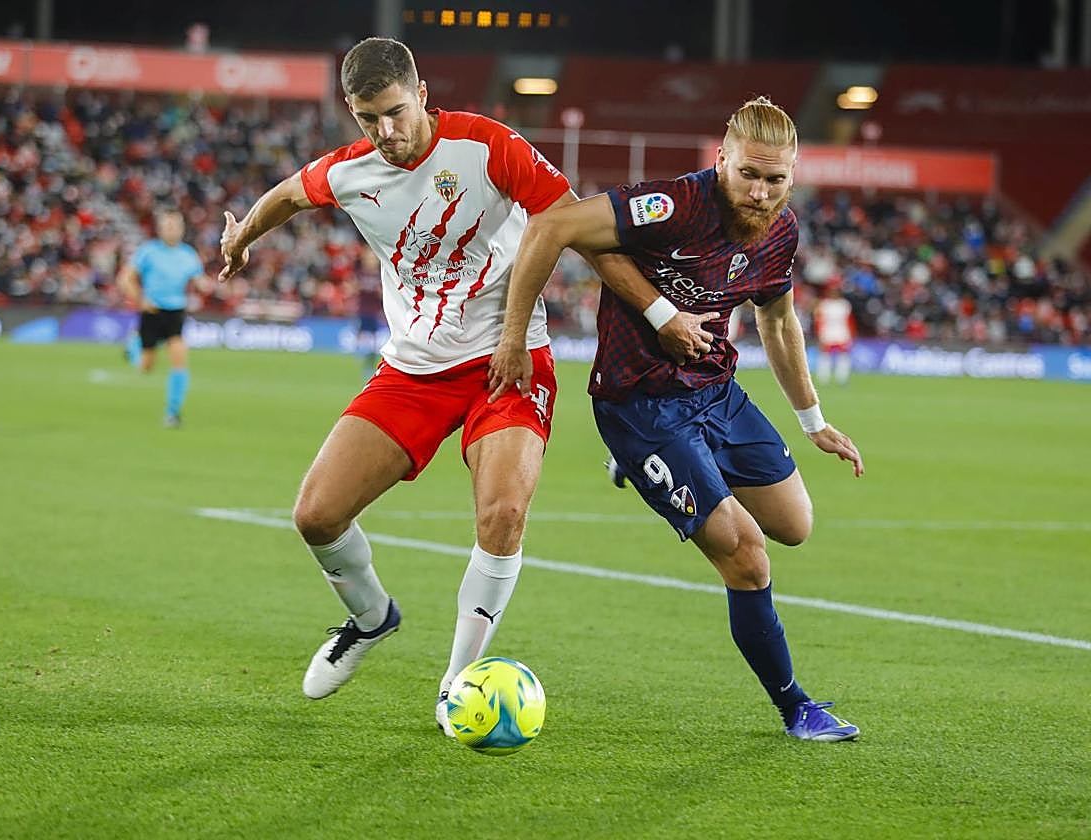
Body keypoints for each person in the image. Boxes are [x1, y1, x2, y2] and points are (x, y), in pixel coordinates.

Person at [217, 37, 696, 736]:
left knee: (503, 514)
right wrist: (242, 239)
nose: (385, 132)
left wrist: (659, 311)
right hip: (412, 371)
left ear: (422, 94)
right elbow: (288, 194)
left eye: (395, 112)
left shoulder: (488, 147)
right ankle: (371, 618)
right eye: (366, 119)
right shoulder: (350, 172)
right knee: (316, 515)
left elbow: (579, 229)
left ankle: (456, 684)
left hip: (508, 361)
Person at [488, 97, 864, 741]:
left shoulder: (780, 231)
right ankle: (795, 706)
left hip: (715, 394)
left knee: (794, 526)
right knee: (748, 556)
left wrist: (813, 419)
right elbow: (552, 227)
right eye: (749, 173)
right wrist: (514, 338)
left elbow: (776, 319)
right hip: (640, 405)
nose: (760, 190)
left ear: (794, 176)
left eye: (775, 179)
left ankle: (646, 471)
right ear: (721, 160)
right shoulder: (674, 206)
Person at [117, 209, 206, 428]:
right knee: (146, 366)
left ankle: (172, 412)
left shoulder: (188, 254)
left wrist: (207, 284)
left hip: (176, 312)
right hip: (152, 312)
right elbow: (125, 279)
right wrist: (139, 299)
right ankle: (134, 347)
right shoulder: (148, 252)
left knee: (180, 360)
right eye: (168, 226)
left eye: (175, 226)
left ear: (182, 228)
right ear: (160, 229)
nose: (172, 230)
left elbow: (199, 280)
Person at [352, 246, 385, 379]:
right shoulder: (360, 274)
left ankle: (369, 361)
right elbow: (353, 288)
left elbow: (384, 293)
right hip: (362, 310)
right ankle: (360, 354)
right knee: (362, 335)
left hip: (375, 311)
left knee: (373, 338)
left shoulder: (380, 274)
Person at [814, 281, 855, 385]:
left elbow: (849, 321)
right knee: (825, 356)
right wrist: (819, 335)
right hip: (827, 333)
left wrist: (851, 335)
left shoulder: (844, 305)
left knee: (843, 356)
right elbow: (819, 321)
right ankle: (824, 379)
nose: (834, 293)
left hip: (842, 333)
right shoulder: (824, 305)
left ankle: (842, 378)